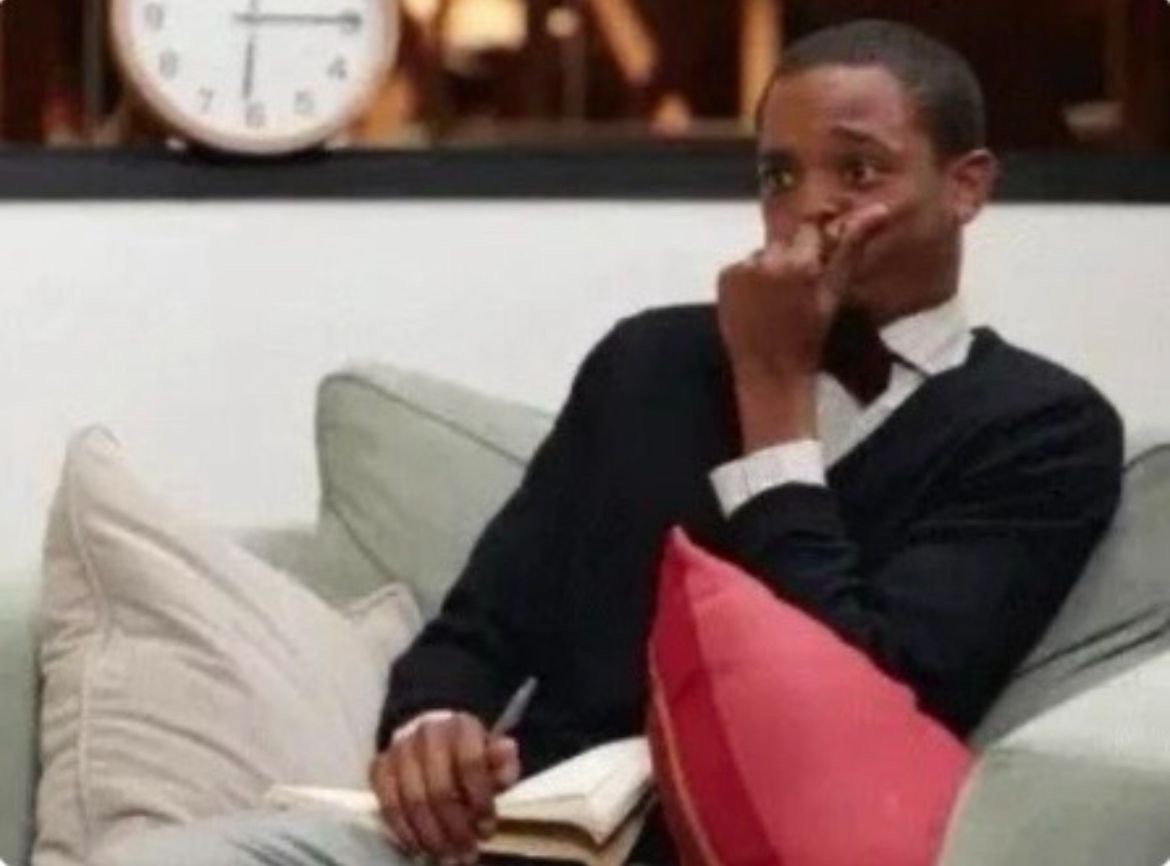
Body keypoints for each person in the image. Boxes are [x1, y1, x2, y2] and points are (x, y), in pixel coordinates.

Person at [103, 19, 1123, 866]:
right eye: (778, 174)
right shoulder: (651, 363)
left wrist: (773, 389)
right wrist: (432, 728)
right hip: (511, 836)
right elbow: (481, 623)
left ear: (967, 186)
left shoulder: (1040, 430)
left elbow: (857, 700)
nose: (807, 206)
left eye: (858, 170)